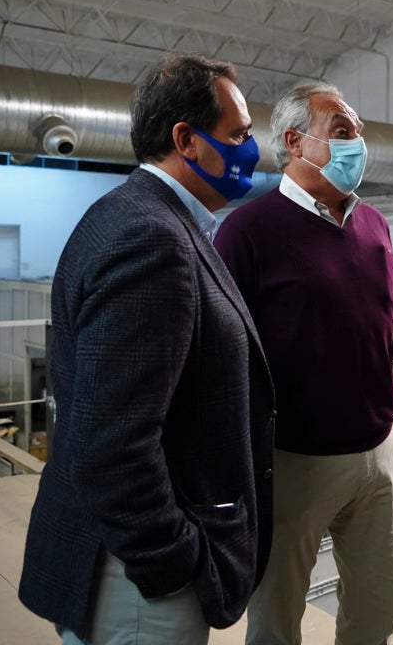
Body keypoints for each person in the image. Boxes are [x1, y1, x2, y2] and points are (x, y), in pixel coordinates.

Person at [18, 53, 276, 645]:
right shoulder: (152, 240)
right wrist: (175, 563)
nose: (251, 150)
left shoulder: (136, 217)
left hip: (125, 567)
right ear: (186, 139)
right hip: (136, 585)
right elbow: (113, 444)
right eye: (238, 134)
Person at [214, 82, 393, 645]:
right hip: (294, 460)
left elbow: (368, 333)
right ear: (296, 142)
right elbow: (225, 355)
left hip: (381, 451)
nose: (358, 145)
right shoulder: (248, 231)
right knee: (276, 619)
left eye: (359, 133)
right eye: (343, 132)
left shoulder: (373, 224)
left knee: (374, 616)